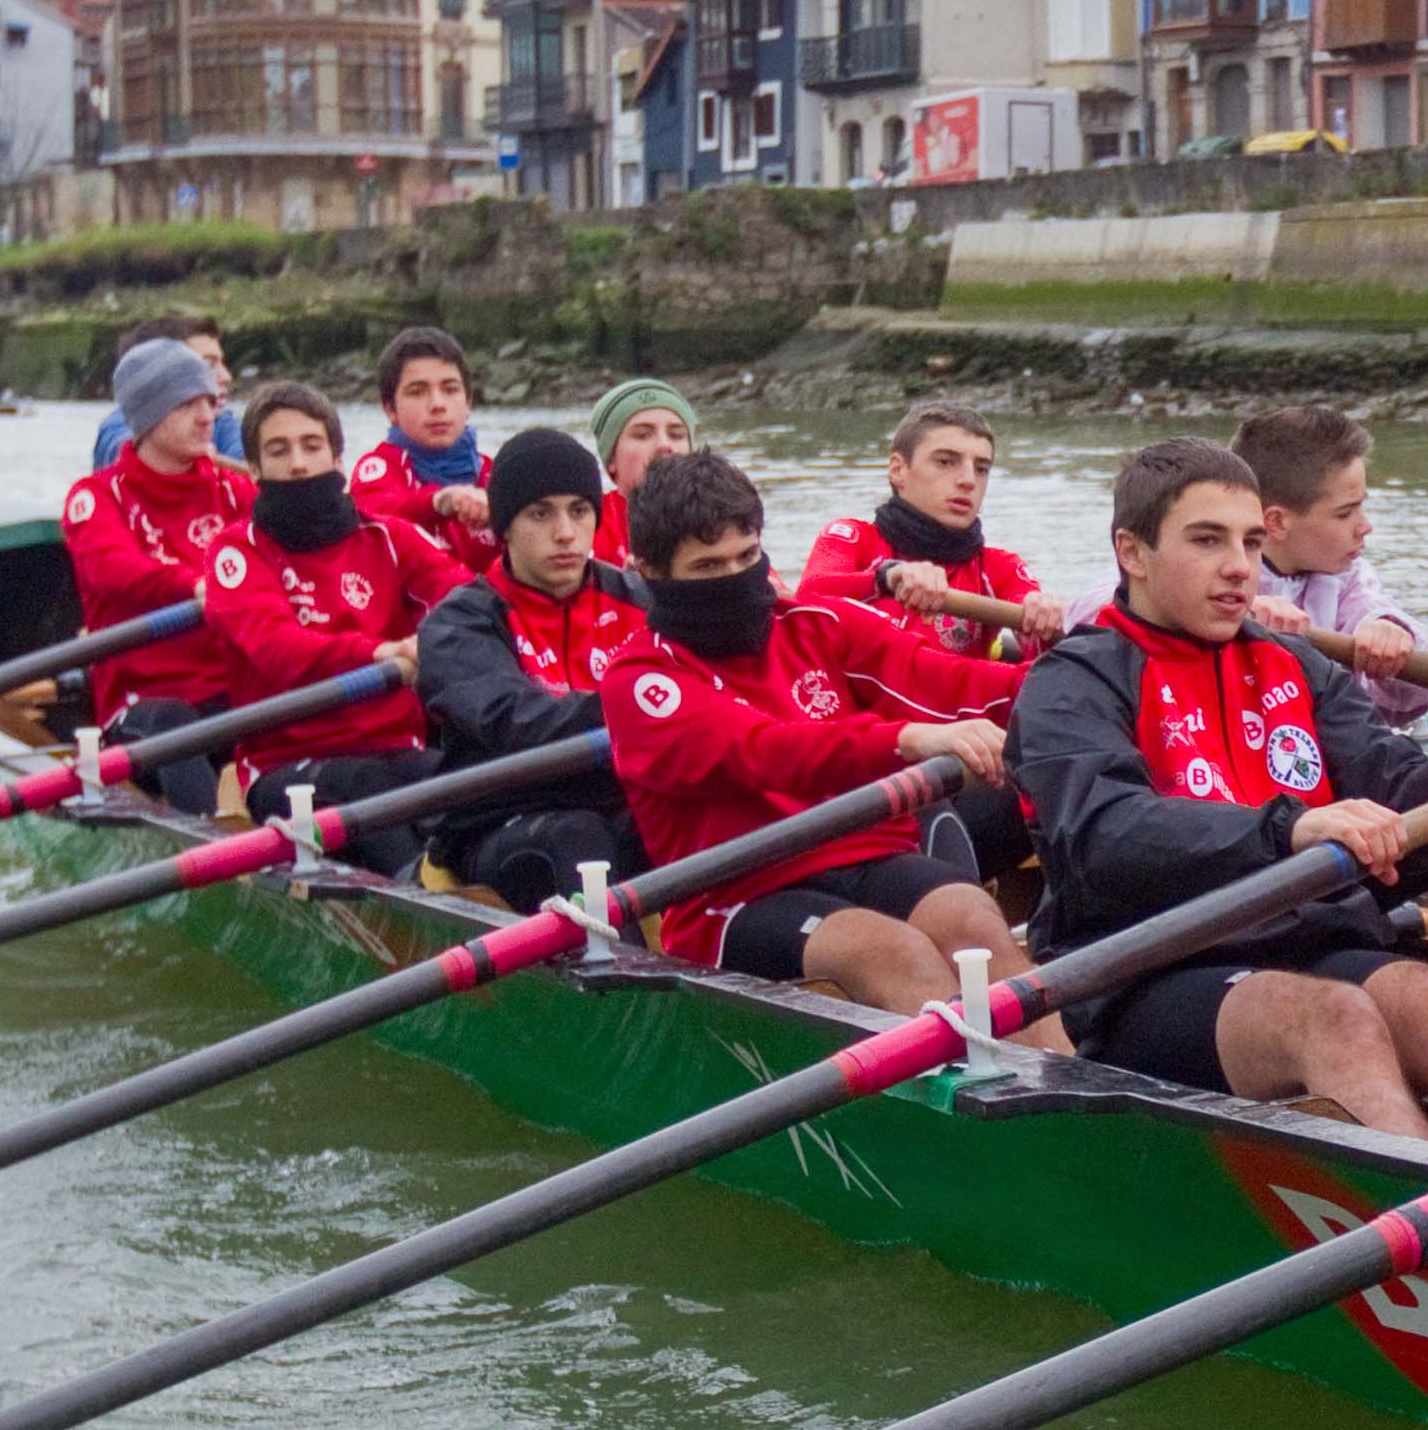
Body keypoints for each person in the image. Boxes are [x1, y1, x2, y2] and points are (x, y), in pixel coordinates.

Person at [1010, 437, 1428, 1149]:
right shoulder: (1073, 681)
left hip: (1310, 940)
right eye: (1207, 540)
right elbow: (1104, 835)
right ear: (1132, 553)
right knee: (1336, 1020)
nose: (1240, 566)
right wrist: (1289, 829)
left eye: (1250, 542)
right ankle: (1425, 1214)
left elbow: (1390, 778)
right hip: (1148, 971)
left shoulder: (1294, 663)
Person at [600, 447, 1047, 1022]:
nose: (736, 580)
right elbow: (764, 751)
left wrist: (1086, 674)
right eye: (709, 568)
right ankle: (959, 1075)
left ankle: (1057, 1080)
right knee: (892, 952)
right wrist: (908, 739)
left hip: (864, 853)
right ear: (649, 573)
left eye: (747, 556)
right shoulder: (641, 680)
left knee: (974, 920)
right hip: (732, 893)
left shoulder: (816, 622)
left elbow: (948, 681)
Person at [191, 381, 459, 862]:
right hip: (284, 763)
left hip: (395, 748)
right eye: (279, 450)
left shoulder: (389, 538)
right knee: (366, 786)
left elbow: (469, 601)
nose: (298, 463)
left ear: (337, 457)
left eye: (312, 446)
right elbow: (278, 649)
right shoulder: (236, 551)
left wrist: (441, 639)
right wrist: (381, 652)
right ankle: (419, 887)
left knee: (472, 783)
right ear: (255, 468)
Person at [801, 397, 1052, 887]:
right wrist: (886, 576)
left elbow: (1034, 622)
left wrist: (1043, 617)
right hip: (865, 766)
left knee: (1056, 781)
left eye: (981, 468)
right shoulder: (850, 536)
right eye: (946, 462)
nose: (968, 481)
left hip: (959, 763)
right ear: (898, 470)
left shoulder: (998, 565)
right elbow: (811, 594)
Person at [415, 427, 650, 915]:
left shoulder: (644, 602)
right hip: (500, 818)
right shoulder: (458, 623)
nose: (565, 533)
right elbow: (514, 720)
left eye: (579, 511)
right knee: (579, 837)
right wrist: (648, 710)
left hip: (614, 803)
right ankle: (617, 962)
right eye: (540, 514)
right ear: (504, 526)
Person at [60, 333, 258, 802]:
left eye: (209, 401)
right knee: (172, 723)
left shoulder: (234, 492)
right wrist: (197, 585)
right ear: (147, 416)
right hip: (143, 707)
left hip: (230, 694)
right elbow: (115, 571)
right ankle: (211, 839)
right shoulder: (96, 497)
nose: (207, 416)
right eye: (187, 404)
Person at [1237, 402, 1428, 721]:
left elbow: (1406, 704)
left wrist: (1389, 631)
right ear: (1277, 522)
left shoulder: (1349, 576)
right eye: (1345, 513)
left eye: (1361, 507)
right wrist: (1244, 611)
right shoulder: (1221, 575)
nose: (1365, 526)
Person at [352, 326, 495, 573]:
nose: (437, 405)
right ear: (390, 409)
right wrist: (439, 501)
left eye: (450, 389)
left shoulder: (493, 473)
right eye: (417, 392)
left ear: (468, 401)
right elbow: (375, 518)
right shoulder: (377, 470)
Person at [87, 314, 242, 468]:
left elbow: (244, 454)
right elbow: (122, 448)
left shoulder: (221, 421)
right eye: (207, 364)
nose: (226, 377)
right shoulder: (119, 424)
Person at [589, 377, 697, 571]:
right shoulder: (587, 526)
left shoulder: (724, 516)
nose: (664, 445)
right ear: (611, 459)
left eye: (676, 435)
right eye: (642, 435)